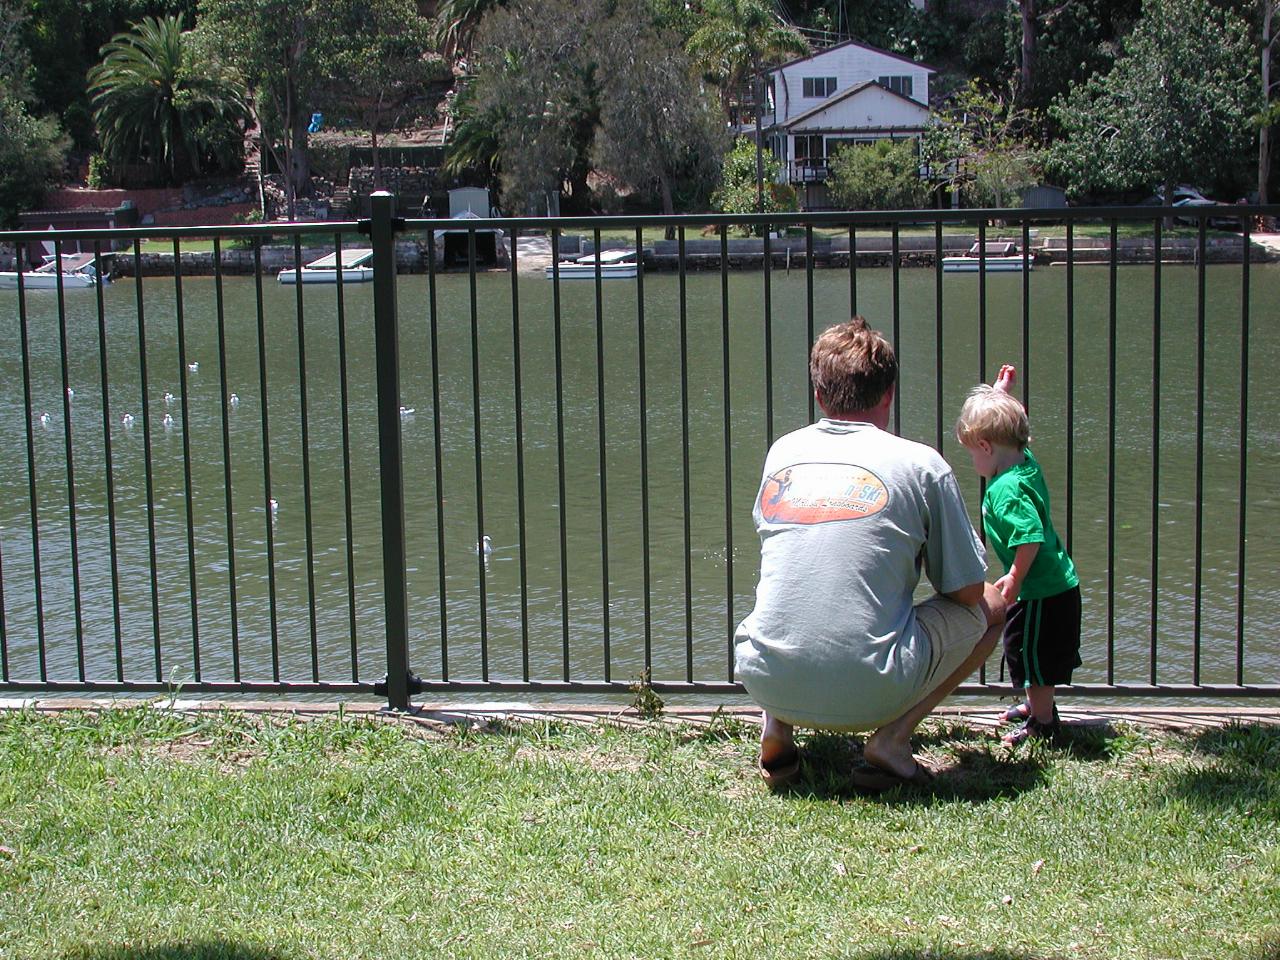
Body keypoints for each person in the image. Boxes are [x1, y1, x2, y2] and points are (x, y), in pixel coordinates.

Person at [734, 317, 1006, 790]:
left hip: (764, 675)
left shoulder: (783, 453)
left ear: (819, 394)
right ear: (889, 393)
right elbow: (964, 592)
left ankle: (777, 724)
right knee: (995, 606)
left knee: (797, 584)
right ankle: (893, 740)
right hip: (875, 688)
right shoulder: (922, 465)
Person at [955, 364, 1081, 745]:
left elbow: (1030, 536)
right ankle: (1035, 706)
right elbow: (1007, 427)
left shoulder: (1006, 490)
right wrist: (1001, 394)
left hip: (1040, 590)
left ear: (986, 447)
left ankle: (1043, 725)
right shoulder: (1024, 463)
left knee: (1031, 658)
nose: (974, 464)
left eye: (972, 454)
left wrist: (1015, 576)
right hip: (1054, 586)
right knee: (1026, 652)